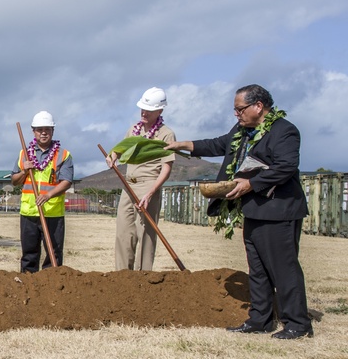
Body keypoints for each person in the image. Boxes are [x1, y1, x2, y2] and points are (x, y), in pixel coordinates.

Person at [166, 84, 312, 339]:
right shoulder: (242, 131)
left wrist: (251, 183)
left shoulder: (284, 131)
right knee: (257, 268)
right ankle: (260, 320)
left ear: (259, 106)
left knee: (283, 268)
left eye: (240, 109)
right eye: (235, 110)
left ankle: (297, 324)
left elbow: (286, 167)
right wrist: (181, 145)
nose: (237, 114)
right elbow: (216, 144)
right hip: (254, 209)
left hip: (279, 210)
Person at [106, 87, 176, 271]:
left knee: (145, 232)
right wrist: (112, 156)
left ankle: (143, 276)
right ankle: (122, 274)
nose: (144, 112)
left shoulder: (166, 134)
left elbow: (166, 168)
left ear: (160, 111)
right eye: (142, 108)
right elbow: (119, 149)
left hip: (148, 185)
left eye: (149, 110)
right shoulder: (133, 129)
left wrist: (152, 192)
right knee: (123, 231)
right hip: (128, 184)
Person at [10, 111, 74, 273]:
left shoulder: (63, 155)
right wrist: (24, 170)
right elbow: (14, 181)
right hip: (29, 212)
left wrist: (48, 195)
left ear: (53, 131)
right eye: (39, 129)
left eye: (47, 129)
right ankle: (28, 284)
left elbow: (66, 182)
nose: (43, 132)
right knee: (29, 254)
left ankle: (52, 287)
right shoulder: (23, 154)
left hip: (53, 213)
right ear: (34, 131)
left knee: (54, 254)